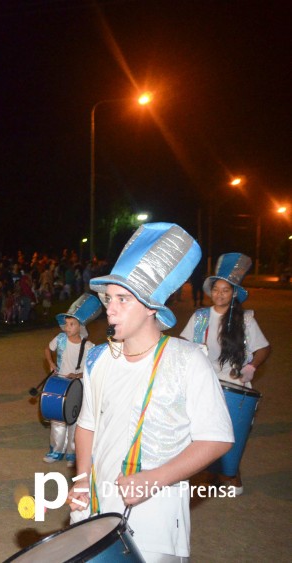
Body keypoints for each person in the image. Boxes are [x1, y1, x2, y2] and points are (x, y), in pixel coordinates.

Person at [68, 223, 234, 562]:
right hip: (95, 509)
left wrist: (153, 480)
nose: (110, 309)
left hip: (156, 521)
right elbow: (87, 426)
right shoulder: (100, 358)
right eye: (109, 299)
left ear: (151, 308)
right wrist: (82, 480)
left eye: (123, 300)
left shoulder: (187, 360)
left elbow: (217, 439)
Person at [179, 253, 270, 495]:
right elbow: (183, 345)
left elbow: (263, 348)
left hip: (234, 384)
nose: (219, 294)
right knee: (199, 432)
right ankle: (206, 472)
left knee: (231, 433)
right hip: (205, 384)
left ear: (233, 294)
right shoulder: (199, 317)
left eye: (226, 290)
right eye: (216, 289)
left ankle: (231, 473)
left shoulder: (245, 320)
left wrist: (252, 367)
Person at [42, 293, 101, 467]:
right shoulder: (60, 339)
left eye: (72, 324)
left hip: (77, 386)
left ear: (80, 327)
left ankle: (72, 453)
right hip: (60, 382)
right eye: (66, 324)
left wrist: (79, 375)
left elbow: (92, 369)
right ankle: (56, 450)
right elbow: (47, 349)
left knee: (74, 419)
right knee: (57, 419)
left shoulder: (88, 346)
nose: (67, 328)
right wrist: (51, 363)